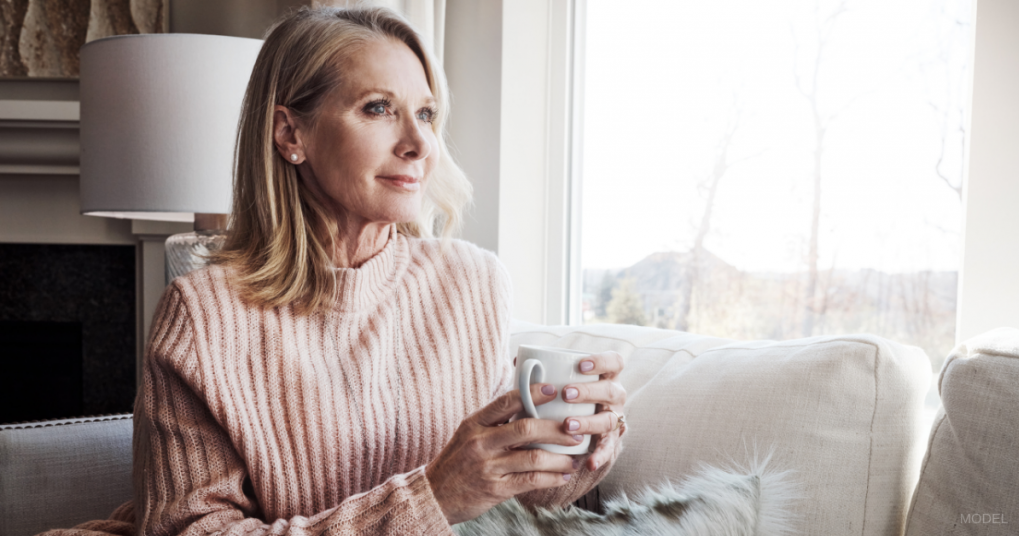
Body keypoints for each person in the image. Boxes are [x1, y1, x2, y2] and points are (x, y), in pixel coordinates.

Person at [39, 6, 627, 536]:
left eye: (425, 113)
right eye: (379, 108)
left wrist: (580, 450)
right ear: (290, 133)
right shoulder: (204, 316)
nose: (420, 142)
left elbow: (514, 504)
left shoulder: (472, 283)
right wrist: (432, 499)